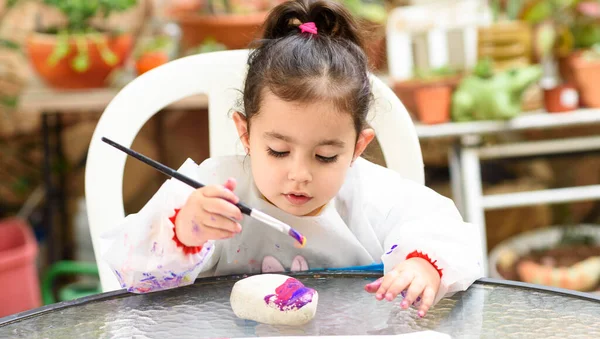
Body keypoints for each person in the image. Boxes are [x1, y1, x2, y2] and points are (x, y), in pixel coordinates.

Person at [102, 0, 483, 318]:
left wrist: (423, 264)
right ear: (245, 133)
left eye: (325, 156)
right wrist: (184, 231)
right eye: (278, 151)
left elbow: (448, 234)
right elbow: (127, 271)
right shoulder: (212, 194)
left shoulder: (373, 196)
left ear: (358, 147)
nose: (299, 174)